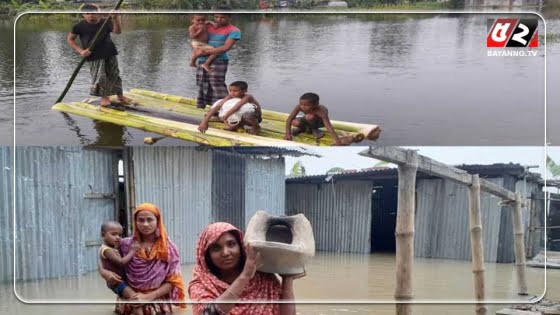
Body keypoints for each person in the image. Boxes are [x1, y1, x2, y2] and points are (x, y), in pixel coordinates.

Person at [188, 222, 305, 315]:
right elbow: (208, 313)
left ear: (241, 246)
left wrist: (287, 279)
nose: (225, 252)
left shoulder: (263, 278)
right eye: (216, 248)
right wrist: (245, 276)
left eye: (231, 244)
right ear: (207, 255)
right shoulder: (201, 283)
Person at [99, 203, 187, 315]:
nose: (145, 224)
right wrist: (103, 272)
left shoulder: (169, 248)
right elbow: (105, 257)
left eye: (150, 220)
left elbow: (174, 280)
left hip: (157, 303)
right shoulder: (125, 244)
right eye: (140, 220)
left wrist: (147, 297)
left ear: (158, 222)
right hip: (129, 301)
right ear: (135, 222)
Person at [66, 3, 132, 107]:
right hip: (94, 55)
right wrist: (81, 51)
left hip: (109, 52)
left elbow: (118, 31)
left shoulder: (105, 22)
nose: (91, 16)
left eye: (93, 13)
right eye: (87, 13)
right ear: (83, 14)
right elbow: (70, 39)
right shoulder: (78, 26)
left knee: (115, 74)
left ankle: (120, 96)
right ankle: (104, 98)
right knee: (100, 77)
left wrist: (115, 18)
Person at [194, 8, 241, 109]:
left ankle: (225, 108)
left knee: (216, 85)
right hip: (202, 60)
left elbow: (226, 47)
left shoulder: (234, 30)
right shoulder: (207, 26)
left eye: (222, 17)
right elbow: (194, 34)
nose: (219, 19)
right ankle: (208, 108)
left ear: (229, 17)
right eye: (216, 17)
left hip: (219, 60)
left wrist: (206, 51)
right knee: (202, 84)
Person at [98, 221, 142, 315]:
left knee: (134, 300)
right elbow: (121, 263)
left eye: (120, 235)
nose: (118, 237)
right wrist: (132, 251)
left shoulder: (113, 247)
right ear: (103, 235)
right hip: (117, 283)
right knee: (136, 300)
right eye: (114, 234)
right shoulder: (106, 250)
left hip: (121, 281)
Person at [198, 81, 262, 135]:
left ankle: (256, 127)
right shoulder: (230, 96)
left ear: (245, 91)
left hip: (253, 117)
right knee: (222, 109)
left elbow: (236, 107)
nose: (232, 93)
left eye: (235, 91)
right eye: (230, 90)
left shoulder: (248, 97)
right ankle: (235, 125)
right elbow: (218, 106)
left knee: (247, 115)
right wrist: (204, 122)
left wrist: (225, 117)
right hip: (239, 116)